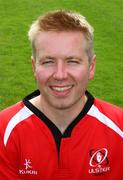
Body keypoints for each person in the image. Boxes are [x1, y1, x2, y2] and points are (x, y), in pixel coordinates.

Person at [0, 10, 123, 180]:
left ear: (91, 67)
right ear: (34, 67)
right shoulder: (4, 130)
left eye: (72, 61)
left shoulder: (119, 128)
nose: (60, 75)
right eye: (48, 61)